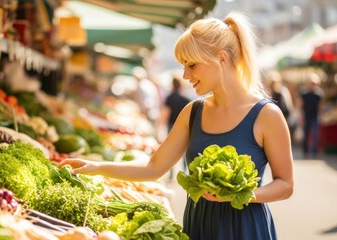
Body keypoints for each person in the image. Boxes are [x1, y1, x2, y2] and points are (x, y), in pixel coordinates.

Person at [59, 12, 294, 240]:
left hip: (245, 228)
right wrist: (95, 167)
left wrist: (241, 195)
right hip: (198, 224)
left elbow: (285, 184)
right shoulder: (192, 113)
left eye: (191, 65)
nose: (184, 75)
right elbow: (153, 168)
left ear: (221, 58)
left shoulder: (267, 115)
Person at [156, 76, 191, 180]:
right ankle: (185, 171)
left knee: (170, 150)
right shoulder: (185, 99)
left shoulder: (170, 98)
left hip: (171, 125)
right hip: (185, 127)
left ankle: (170, 173)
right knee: (185, 150)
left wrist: (160, 126)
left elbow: (165, 113)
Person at [298, 73, 324, 156]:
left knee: (315, 134)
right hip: (306, 116)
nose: (313, 85)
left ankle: (314, 151)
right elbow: (300, 105)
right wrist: (301, 116)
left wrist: (321, 115)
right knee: (306, 134)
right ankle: (305, 150)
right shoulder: (303, 93)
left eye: (314, 83)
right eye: (312, 83)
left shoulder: (319, 93)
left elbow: (320, 105)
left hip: (315, 116)